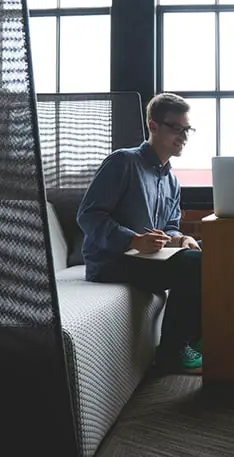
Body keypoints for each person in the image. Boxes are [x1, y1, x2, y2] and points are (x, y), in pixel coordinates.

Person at [77, 92, 203, 374]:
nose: (183, 136)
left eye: (187, 129)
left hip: (148, 259)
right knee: (197, 265)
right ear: (153, 125)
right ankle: (171, 352)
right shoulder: (123, 162)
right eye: (176, 128)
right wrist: (133, 240)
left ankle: (196, 337)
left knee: (208, 251)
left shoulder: (171, 180)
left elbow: (170, 225)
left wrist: (181, 239)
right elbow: (88, 216)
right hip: (112, 262)